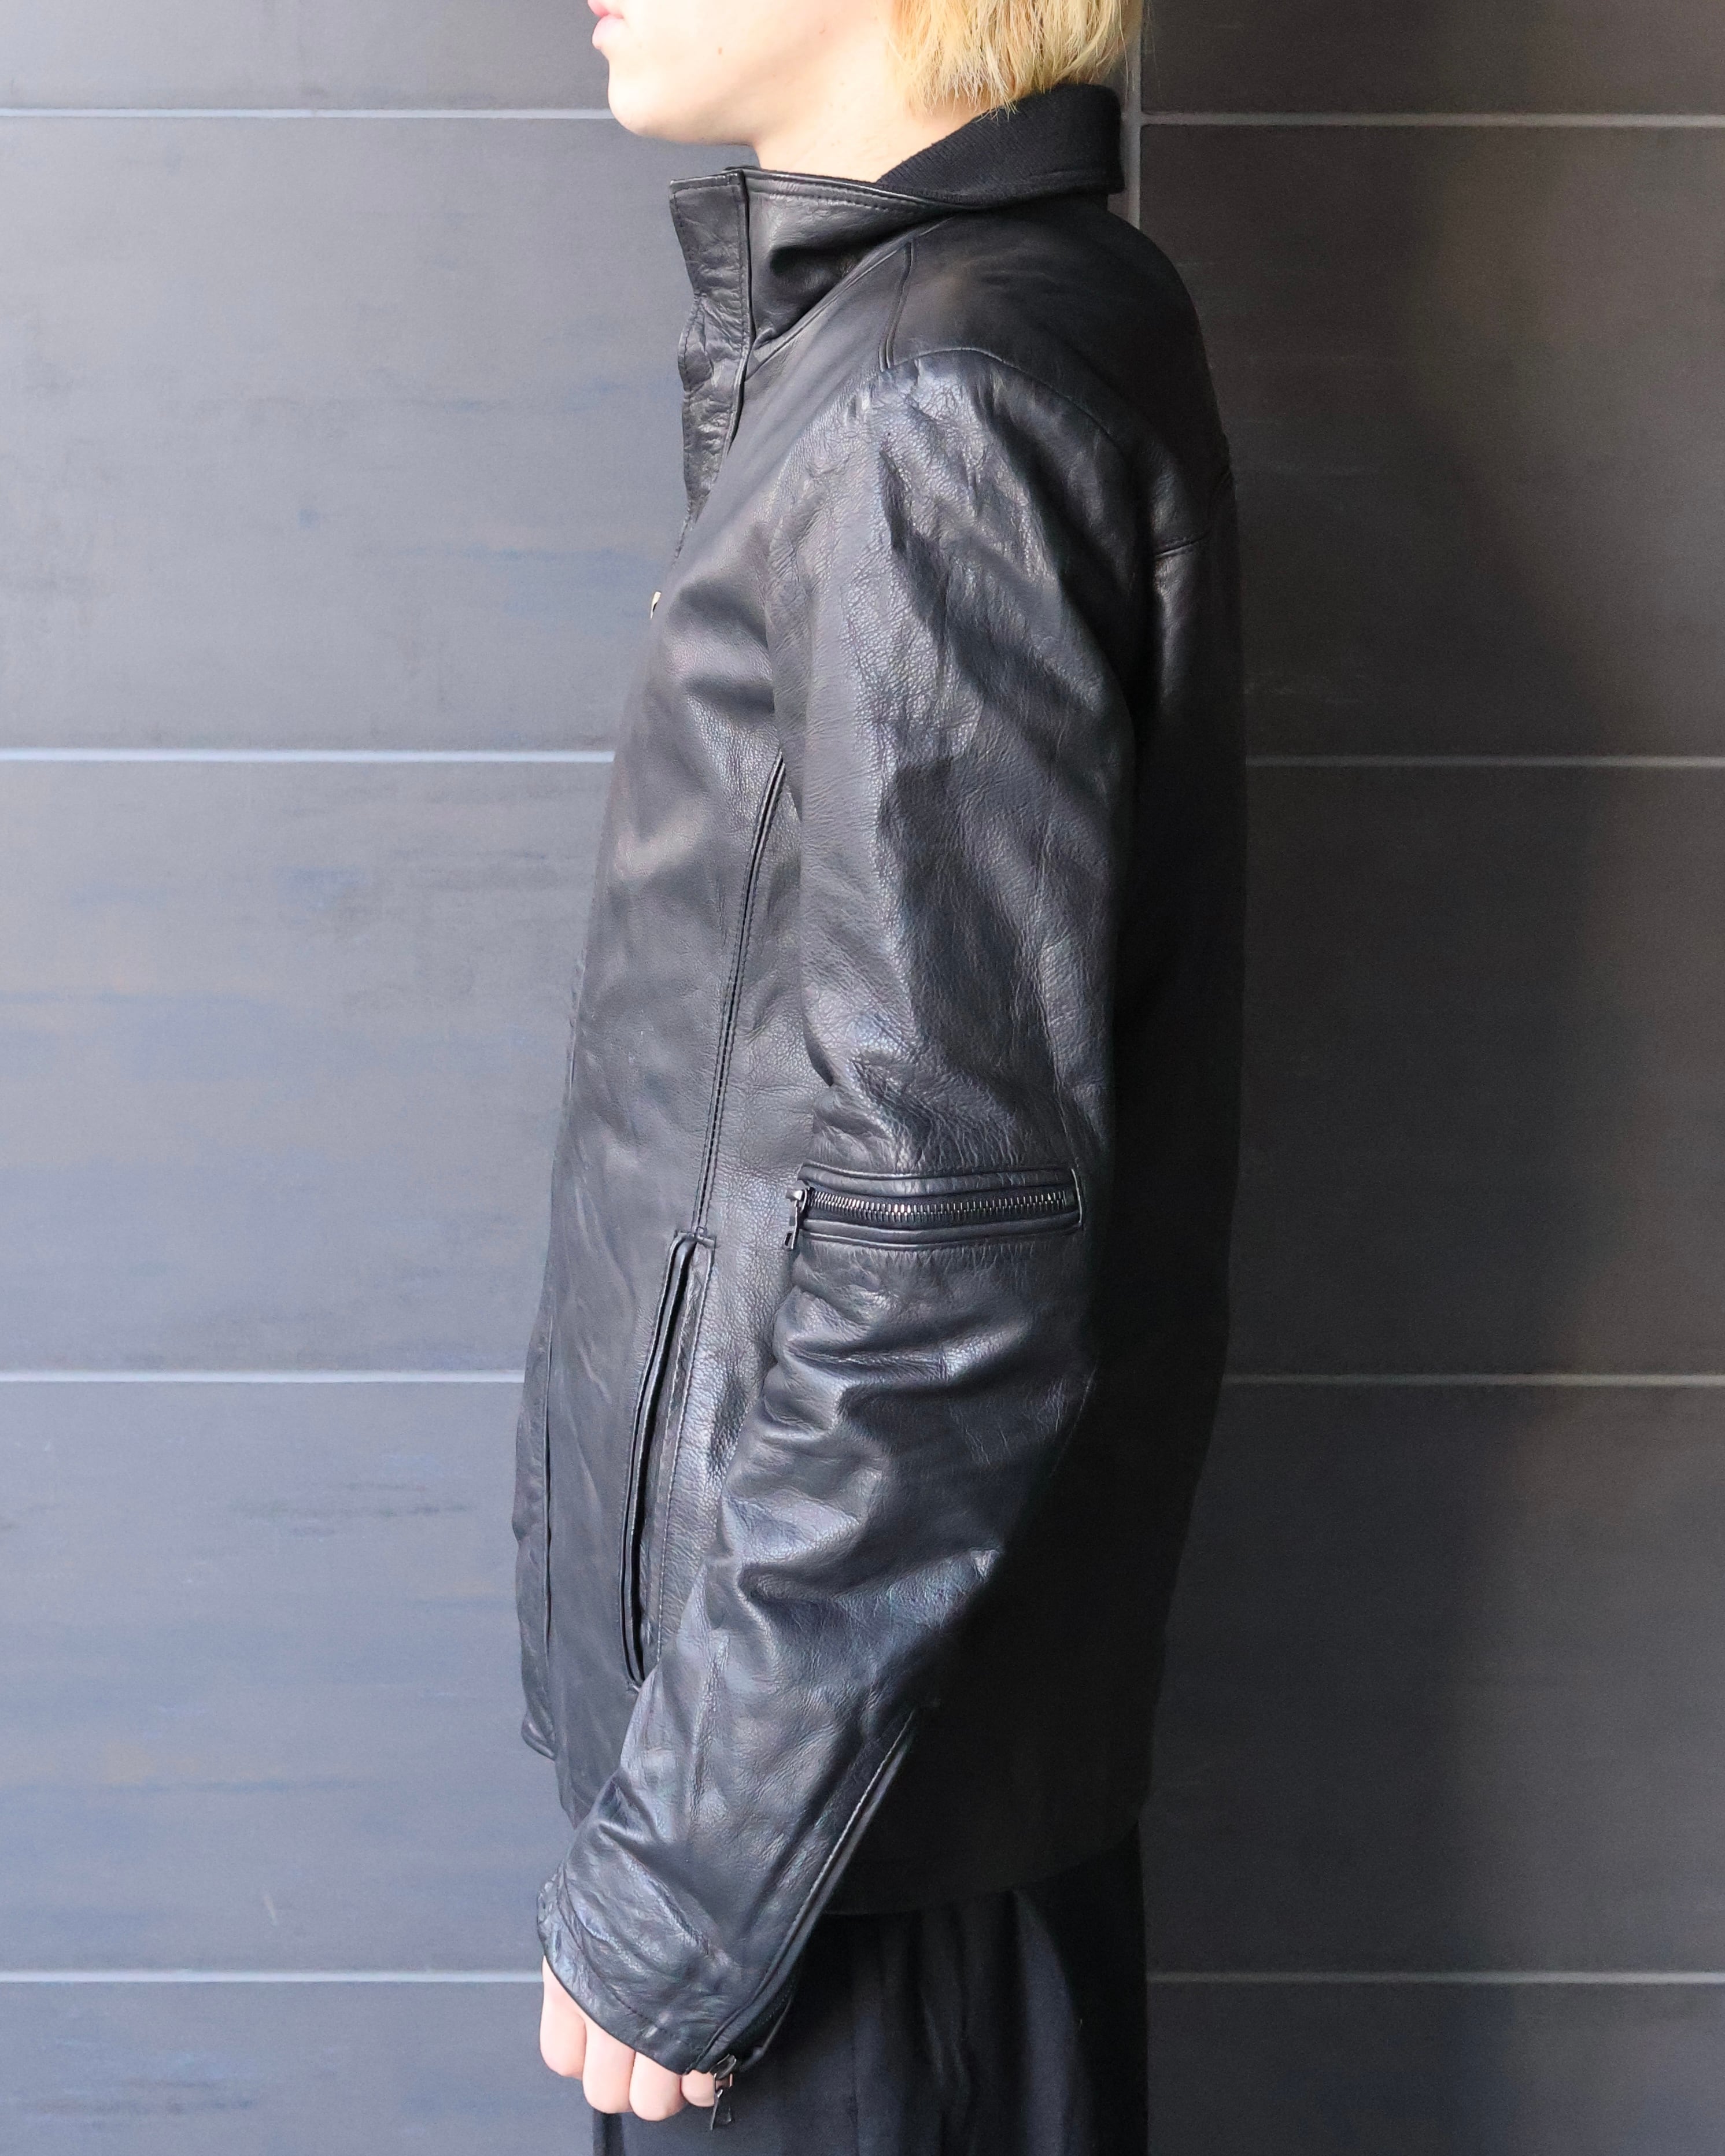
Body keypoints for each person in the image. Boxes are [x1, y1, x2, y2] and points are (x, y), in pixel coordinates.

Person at [514, 0, 1243, 2144]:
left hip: (833, 1866)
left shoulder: (937, 403)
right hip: (856, 1808)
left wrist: (696, 1867)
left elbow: (950, 1251)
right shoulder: (959, 340)